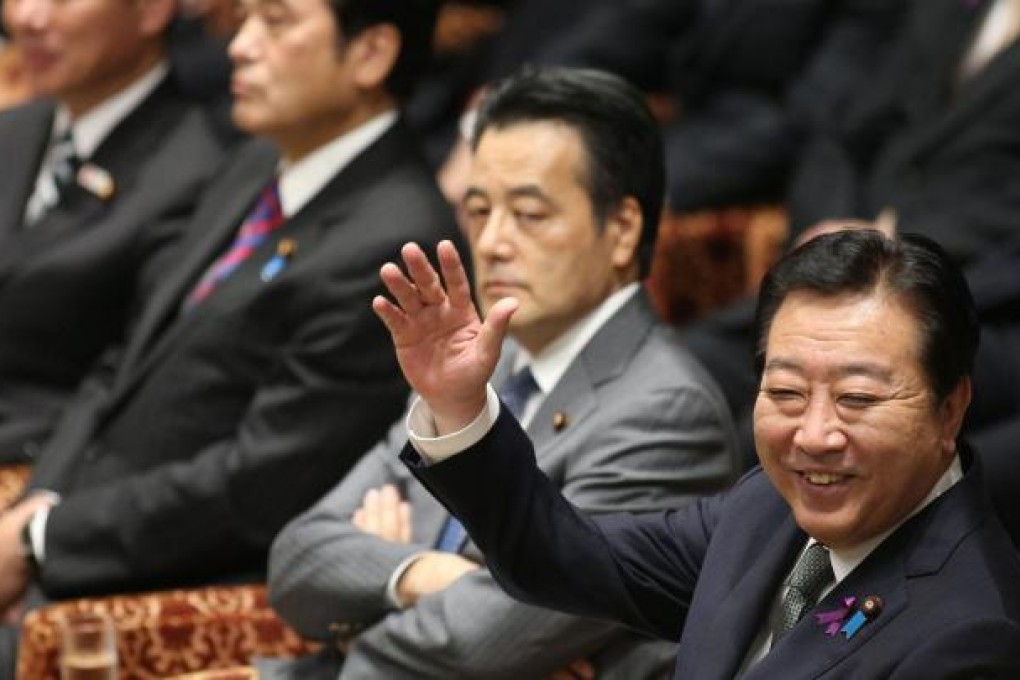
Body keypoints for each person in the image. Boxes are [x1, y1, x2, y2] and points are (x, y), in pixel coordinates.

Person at [0, 0, 454, 672]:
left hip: (192, 584)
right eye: (243, 22)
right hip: (85, 533)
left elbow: (257, 485)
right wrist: (37, 510)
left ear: (371, 54)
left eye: (276, 23)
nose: (241, 46)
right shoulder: (253, 167)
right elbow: (123, 363)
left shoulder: (391, 241)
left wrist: (45, 539)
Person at [264, 67, 741, 679]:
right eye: (480, 210)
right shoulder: (491, 362)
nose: (491, 242)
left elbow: (477, 645)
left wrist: (369, 601)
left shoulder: (665, 410)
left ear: (622, 230)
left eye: (529, 214)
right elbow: (298, 558)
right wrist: (420, 575)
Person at [375, 229, 1020, 678]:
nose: (815, 434)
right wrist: (459, 404)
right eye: (788, 392)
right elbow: (564, 554)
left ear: (950, 408)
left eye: (857, 398)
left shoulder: (972, 633)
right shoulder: (766, 507)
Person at [0, 0, 226, 462]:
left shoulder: (199, 171)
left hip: (47, 465)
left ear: (151, 10)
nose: (29, 16)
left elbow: (128, 381)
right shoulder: (16, 129)